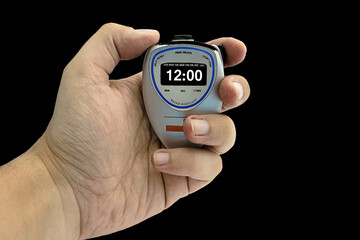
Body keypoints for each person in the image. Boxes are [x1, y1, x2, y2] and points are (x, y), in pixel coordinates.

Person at [0, 23, 250, 239]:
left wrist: (63, 186)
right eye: (175, 74)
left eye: (192, 76)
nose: (182, 79)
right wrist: (64, 177)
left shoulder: (163, 59)